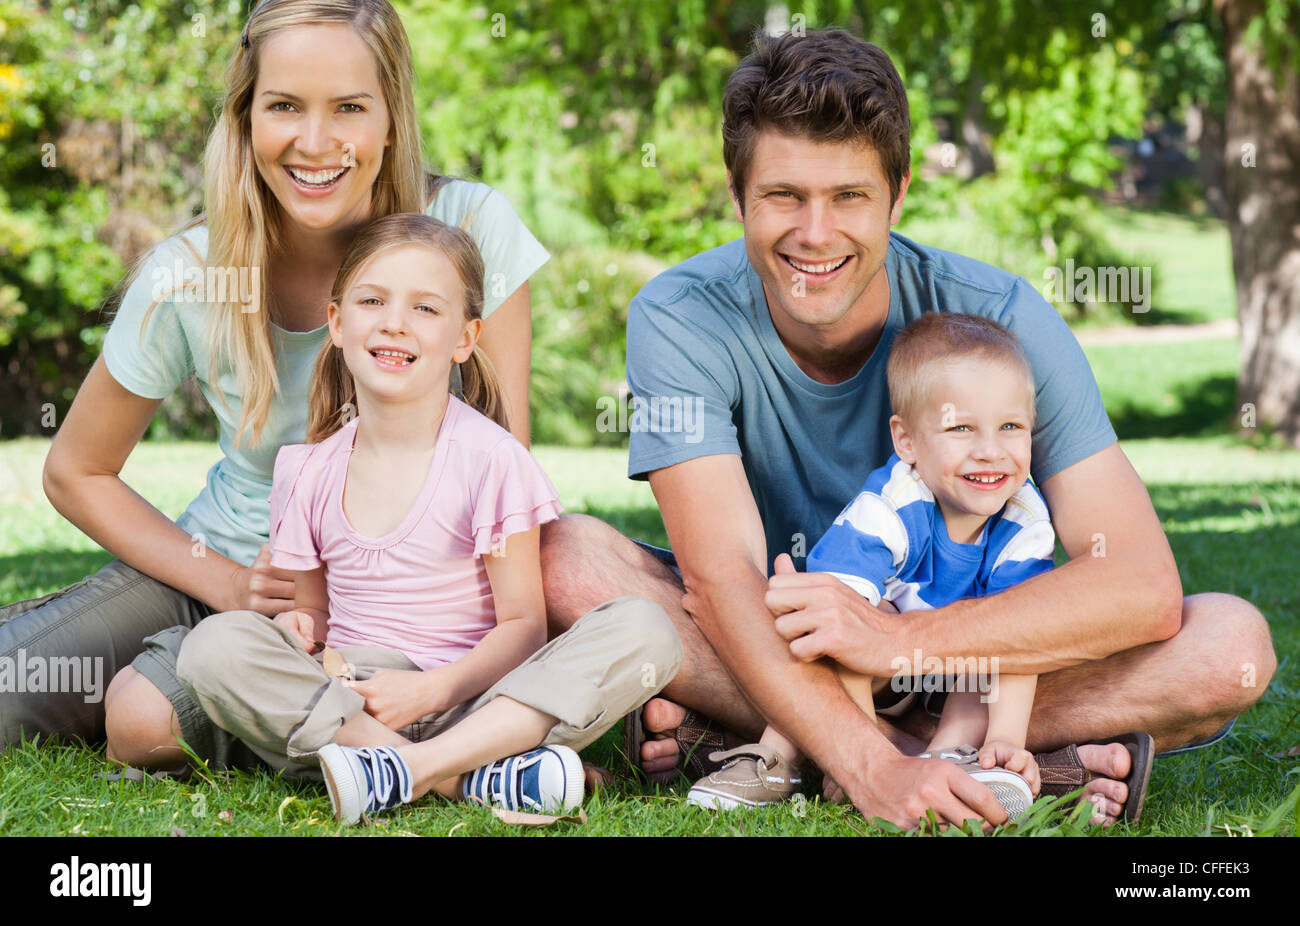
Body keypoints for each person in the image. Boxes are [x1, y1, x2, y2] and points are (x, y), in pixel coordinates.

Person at [539, 28, 1275, 829]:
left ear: (898, 193)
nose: (814, 234)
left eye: (849, 196)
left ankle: (782, 742)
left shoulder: (1001, 319)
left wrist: (898, 645)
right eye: (784, 195)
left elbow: (1140, 584)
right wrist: (873, 770)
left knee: (1228, 647)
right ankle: (984, 759)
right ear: (736, 192)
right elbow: (723, 582)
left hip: (967, 659)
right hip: (779, 638)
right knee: (569, 558)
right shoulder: (679, 317)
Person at [0, 0, 547, 764]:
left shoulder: (469, 228)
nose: (315, 143)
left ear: (391, 117)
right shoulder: (190, 275)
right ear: (245, 116)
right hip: (225, 570)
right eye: (284, 105)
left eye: (349, 107)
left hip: (403, 602)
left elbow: (508, 479)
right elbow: (76, 470)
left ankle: (317, 720)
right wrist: (223, 582)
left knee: (143, 723)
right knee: (9, 685)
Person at [138, 213, 681, 822]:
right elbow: (313, 615)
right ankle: (465, 778)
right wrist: (299, 631)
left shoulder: (490, 460)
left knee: (646, 628)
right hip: (356, 705)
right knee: (214, 647)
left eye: (426, 308)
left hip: (480, 698)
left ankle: (411, 769)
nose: (395, 322)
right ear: (339, 323)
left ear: (464, 339)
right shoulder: (307, 471)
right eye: (373, 301)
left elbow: (525, 626)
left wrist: (433, 690)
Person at [687, 314, 1055, 818]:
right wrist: (861, 758)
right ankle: (777, 756)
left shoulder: (1024, 519)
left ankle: (953, 757)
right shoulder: (889, 509)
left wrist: (1009, 736)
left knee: (996, 636)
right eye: (961, 428)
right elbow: (839, 632)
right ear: (907, 443)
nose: (990, 451)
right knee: (840, 625)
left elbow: (1021, 637)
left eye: (1010, 427)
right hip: (857, 666)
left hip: (944, 670)